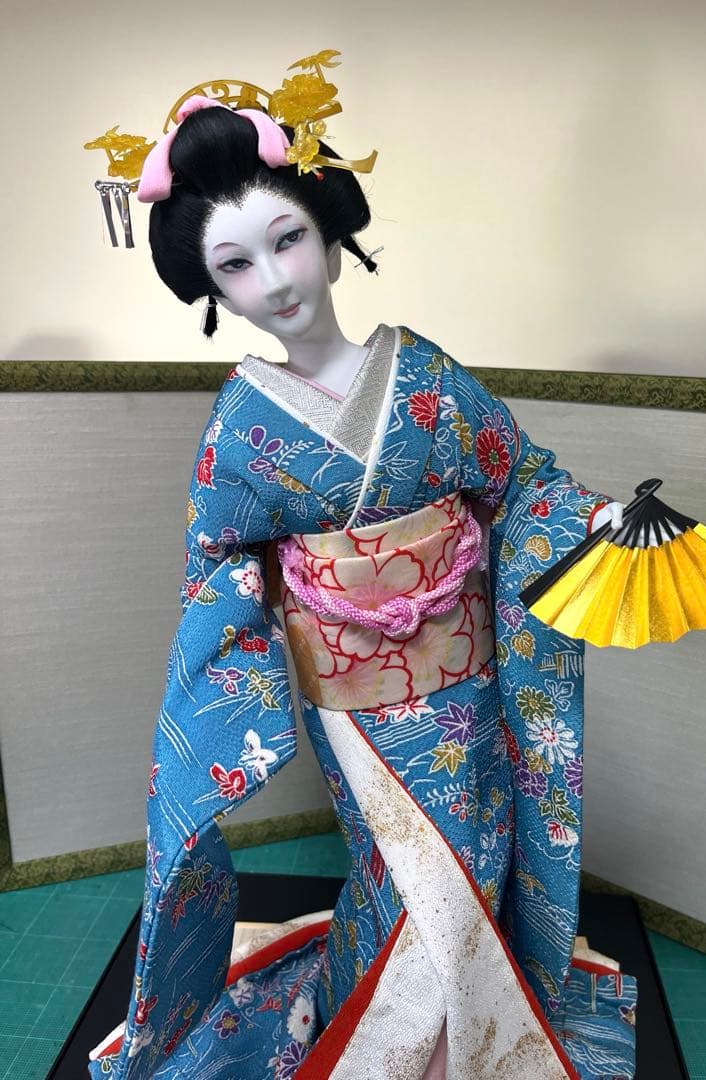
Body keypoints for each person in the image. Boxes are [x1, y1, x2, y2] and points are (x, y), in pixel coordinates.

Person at [88, 75, 635, 1080]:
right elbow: (216, 564)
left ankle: (455, 1036)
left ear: (330, 233)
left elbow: (521, 479)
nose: (275, 280)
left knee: (474, 852)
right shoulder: (241, 429)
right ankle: (393, 1042)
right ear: (212, 290)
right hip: (351, 702)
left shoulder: (426, 378)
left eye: (287, 239)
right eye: (236, 264)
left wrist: (586, 517)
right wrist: (248, 624)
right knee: (405, 868)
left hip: (467, 683)